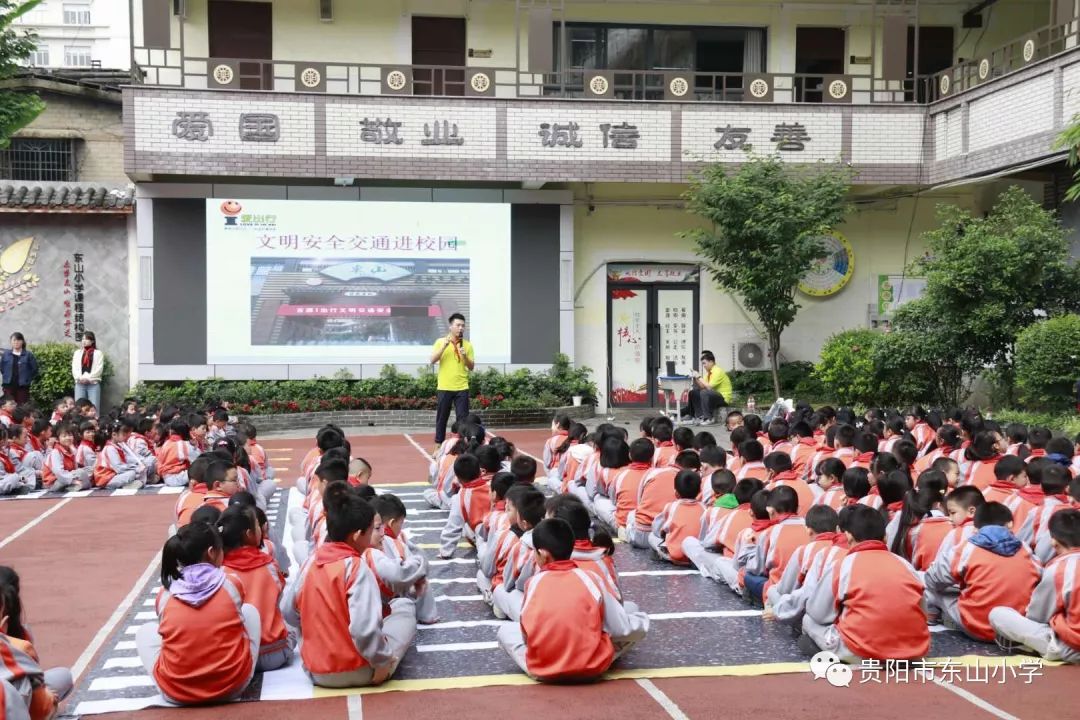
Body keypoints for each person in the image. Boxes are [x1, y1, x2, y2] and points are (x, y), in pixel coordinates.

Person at [284, 481, 416, 688]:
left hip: (315, 671)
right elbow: (364, 630)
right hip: (358, 671)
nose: (378, 534)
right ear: (357, 535)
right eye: (373, 529)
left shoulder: (311, 560)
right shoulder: (356, 567)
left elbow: (288, 612)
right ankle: (380, 664)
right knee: (405, 610)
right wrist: (381, 663)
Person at [495, 518, 649, 682]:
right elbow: (619, 628)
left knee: (505, 631)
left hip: (544, 669)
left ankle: (544, 665)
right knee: (635, 619)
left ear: (544, 554)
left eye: (535, 552)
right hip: (591, 667)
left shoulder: (533, 583)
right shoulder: (591, 578)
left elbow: (527, 636)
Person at [136, 521, 260, 705]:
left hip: (177, 693)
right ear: (212, 552)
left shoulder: (165, 594)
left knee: (145, 632)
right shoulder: (231, 584)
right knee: (249, 612)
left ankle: (178, 674)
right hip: (231, 687)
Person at [802, 505, 930, 662]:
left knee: (808, 620)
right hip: (915, 651)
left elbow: (818, 613)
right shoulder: (905, 564)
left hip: (862, 651)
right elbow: (923, 610)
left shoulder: (842, 565)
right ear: (885, 537)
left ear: (847, 536)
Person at [924, 502, 1040, 641]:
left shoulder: (966, 548)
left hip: (977, 628)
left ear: (975, 528)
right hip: (1014, 628)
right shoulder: (1025, 549)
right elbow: (1040, 578)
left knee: (926, 580)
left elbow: (932, 579)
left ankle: (931, 616)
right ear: (1009, 524)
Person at [990, 509, 1080, 663]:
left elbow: (1037, 617)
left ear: (1053, 541)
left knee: (998, 614)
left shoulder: (1059, 570)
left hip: (1070, 647)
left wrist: (1056, 619)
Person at [218, 505, 294, 671]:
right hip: (276, 654)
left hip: (240, 657)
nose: (261, 528)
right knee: (292, 619)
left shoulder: (219, 572)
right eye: (257, 525)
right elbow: (278, 595)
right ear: (249, 534)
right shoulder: (270, 565)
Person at [430, 313, 475, 450]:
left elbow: (471, 367)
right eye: (458, 325)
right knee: (442, 417)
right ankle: (439, 443)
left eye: (463, 326)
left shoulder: (467, 345)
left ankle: (460, 443)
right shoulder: (440, 342)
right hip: (445, 386)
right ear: (451, 326)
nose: (461, 328)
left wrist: (465, 356)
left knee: (462, 419)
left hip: (462, 387)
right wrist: (443, 347)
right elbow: (432, 360)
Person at [649, 470, 706, 564]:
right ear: (699, 491)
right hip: (694, 556)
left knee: (651, 536)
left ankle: (662, 553)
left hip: (675, 555)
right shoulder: (704, 508)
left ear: (676, 492)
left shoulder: (671, 506)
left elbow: (657, 528)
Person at [681, 351, 732, 426]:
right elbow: (702, 386)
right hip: (713, 396)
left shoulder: (717, 371)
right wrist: (696, 378)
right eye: (703, 364)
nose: (703, 366)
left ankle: (709, 418)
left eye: (704, 363)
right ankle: (697, 416)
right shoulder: (708, 373)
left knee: (704, 392)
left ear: (711, 362)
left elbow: (709, 387)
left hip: (723, 398)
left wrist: (699, 376)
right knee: (693, 392)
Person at [0, 334, 38, 405]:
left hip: (23, 387)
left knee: (22, 405)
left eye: (18, 340)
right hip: (8, 385)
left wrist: (27, 379)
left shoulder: (28, 355)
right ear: (11, 342)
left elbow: (34, 369)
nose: (16, 342)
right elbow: (2, 368)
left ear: (22, 342)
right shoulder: (6, 354)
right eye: (14, 340)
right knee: (8, 404)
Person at [70, 331, 105, 411]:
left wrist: (88, 378)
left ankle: (94, 423)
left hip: (93, 384)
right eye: (82, 339)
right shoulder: (77, 353)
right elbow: (74, 368)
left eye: (86, 339)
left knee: (94, 407)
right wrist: (80, 378)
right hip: (80, 384)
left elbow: (99, 368)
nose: (84, 341)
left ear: (92, 341)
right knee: (79, 408)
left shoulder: (98, 353)